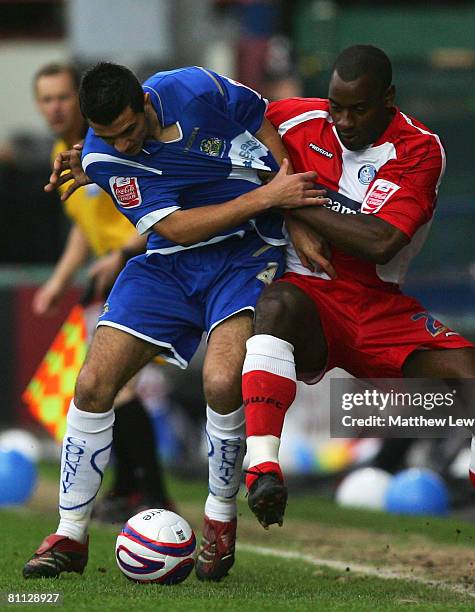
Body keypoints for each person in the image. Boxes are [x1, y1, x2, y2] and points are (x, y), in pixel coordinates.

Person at [241, 45, 475, 590]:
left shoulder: (420, 149)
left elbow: (381, 241)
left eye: (359, 110)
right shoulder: (295, 117)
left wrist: (290, 203)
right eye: (336, 108)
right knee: (275, 303)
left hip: (380, 306)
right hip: (309, 297)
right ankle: (262, 469)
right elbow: (220, 121)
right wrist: (94, 157)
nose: (344, 121)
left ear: (389, 101)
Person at [23, 62, 324, 582]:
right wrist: (269, 197)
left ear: (144, 101)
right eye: (109, 137)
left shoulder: (195, 85)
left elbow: (262, 124)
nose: (123, 145)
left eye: (129, 131)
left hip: (248, 253)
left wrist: (288, 207)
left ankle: (219, 521)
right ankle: (69, 535)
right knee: (92, 383)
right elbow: (179, 230)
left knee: (222, 381)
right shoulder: (103, 157)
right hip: (169, 262)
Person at [32, 62, 172, 523]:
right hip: (113, 271)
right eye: (46, 99)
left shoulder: (116, 144)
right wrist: (59, 279)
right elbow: (84, 228)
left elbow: (158, 200)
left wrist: (122, 253)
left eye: (62, 97)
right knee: (109, 386)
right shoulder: (68, 151)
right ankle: (131, 487)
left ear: (83, 100)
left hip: (147, 262)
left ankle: (149, 492)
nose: (55, 107)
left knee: (117, 385)